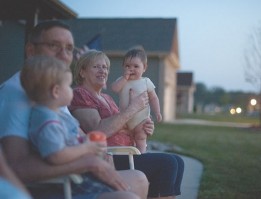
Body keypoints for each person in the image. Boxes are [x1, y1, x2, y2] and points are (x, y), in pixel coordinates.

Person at [0, 20, 148, 199]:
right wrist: (89, 163)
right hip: (53, 185)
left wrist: (96, 150)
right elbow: (17, 166)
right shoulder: (16, 92)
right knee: (128, 195)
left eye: (69, 48)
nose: (63, 55)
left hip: (78, 175)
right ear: (31, 50)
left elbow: (77, 135)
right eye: (54, 46)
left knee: (139, 179)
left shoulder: (52, 92)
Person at [69, 50, 184, 199]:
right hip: (109, 156)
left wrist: (142, 129)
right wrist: (133, 108)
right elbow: (97, 131)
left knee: (177, 162)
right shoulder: (80, 94)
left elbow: (124, 125)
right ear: (82, 72)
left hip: (128, 152)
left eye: (105, 67)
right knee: (167, 163)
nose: (103, 71)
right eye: (97, 67)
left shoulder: (107, 98)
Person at [111, 47, 162, 153]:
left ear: (144, 68)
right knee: (125, 139)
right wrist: (124, 78)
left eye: (136, 66)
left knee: (141, 138)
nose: (131, 69)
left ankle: (141, 156)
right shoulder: (122, 80)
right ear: (123, 67)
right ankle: (128, 156)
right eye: (127, 66)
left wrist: (157, 112)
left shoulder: (146, 82)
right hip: (124, 119)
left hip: (141, 119)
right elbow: (114, 89)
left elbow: (153, 98)